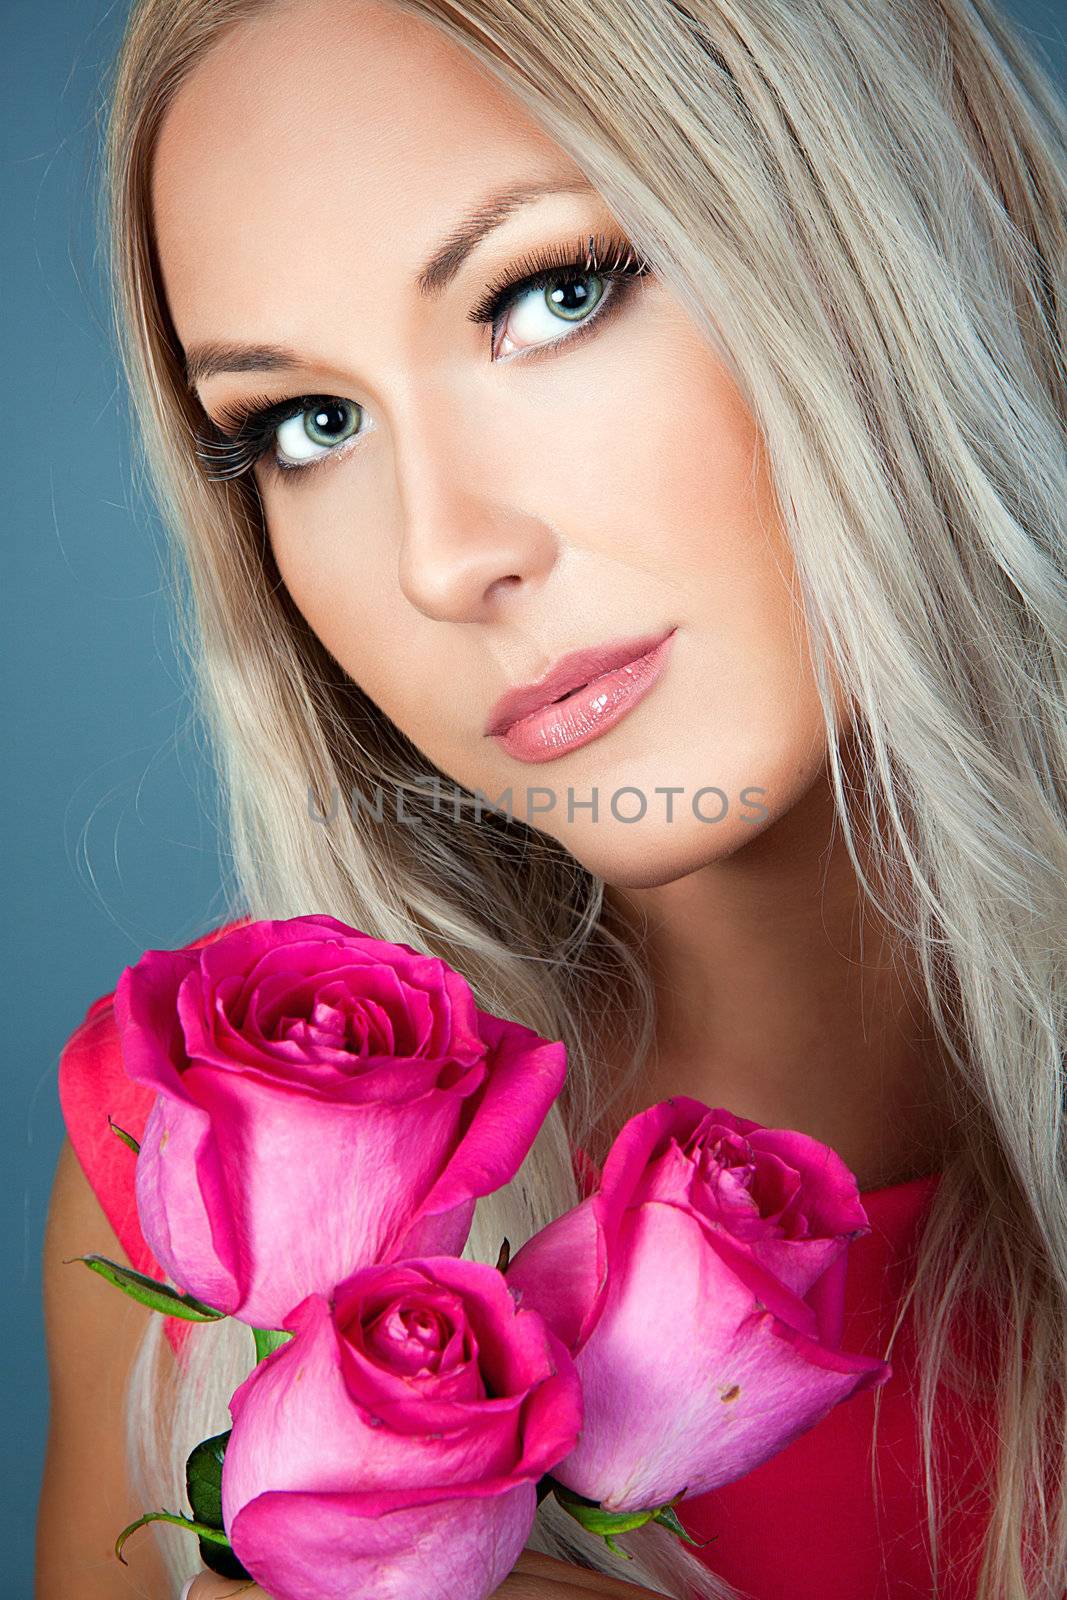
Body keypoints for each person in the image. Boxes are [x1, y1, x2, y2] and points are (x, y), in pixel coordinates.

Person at [37, 0, 1066, 1596]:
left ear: (883, 230)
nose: (444, 557)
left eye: (551, 295)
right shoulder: (217, 1156)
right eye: (305, 426)